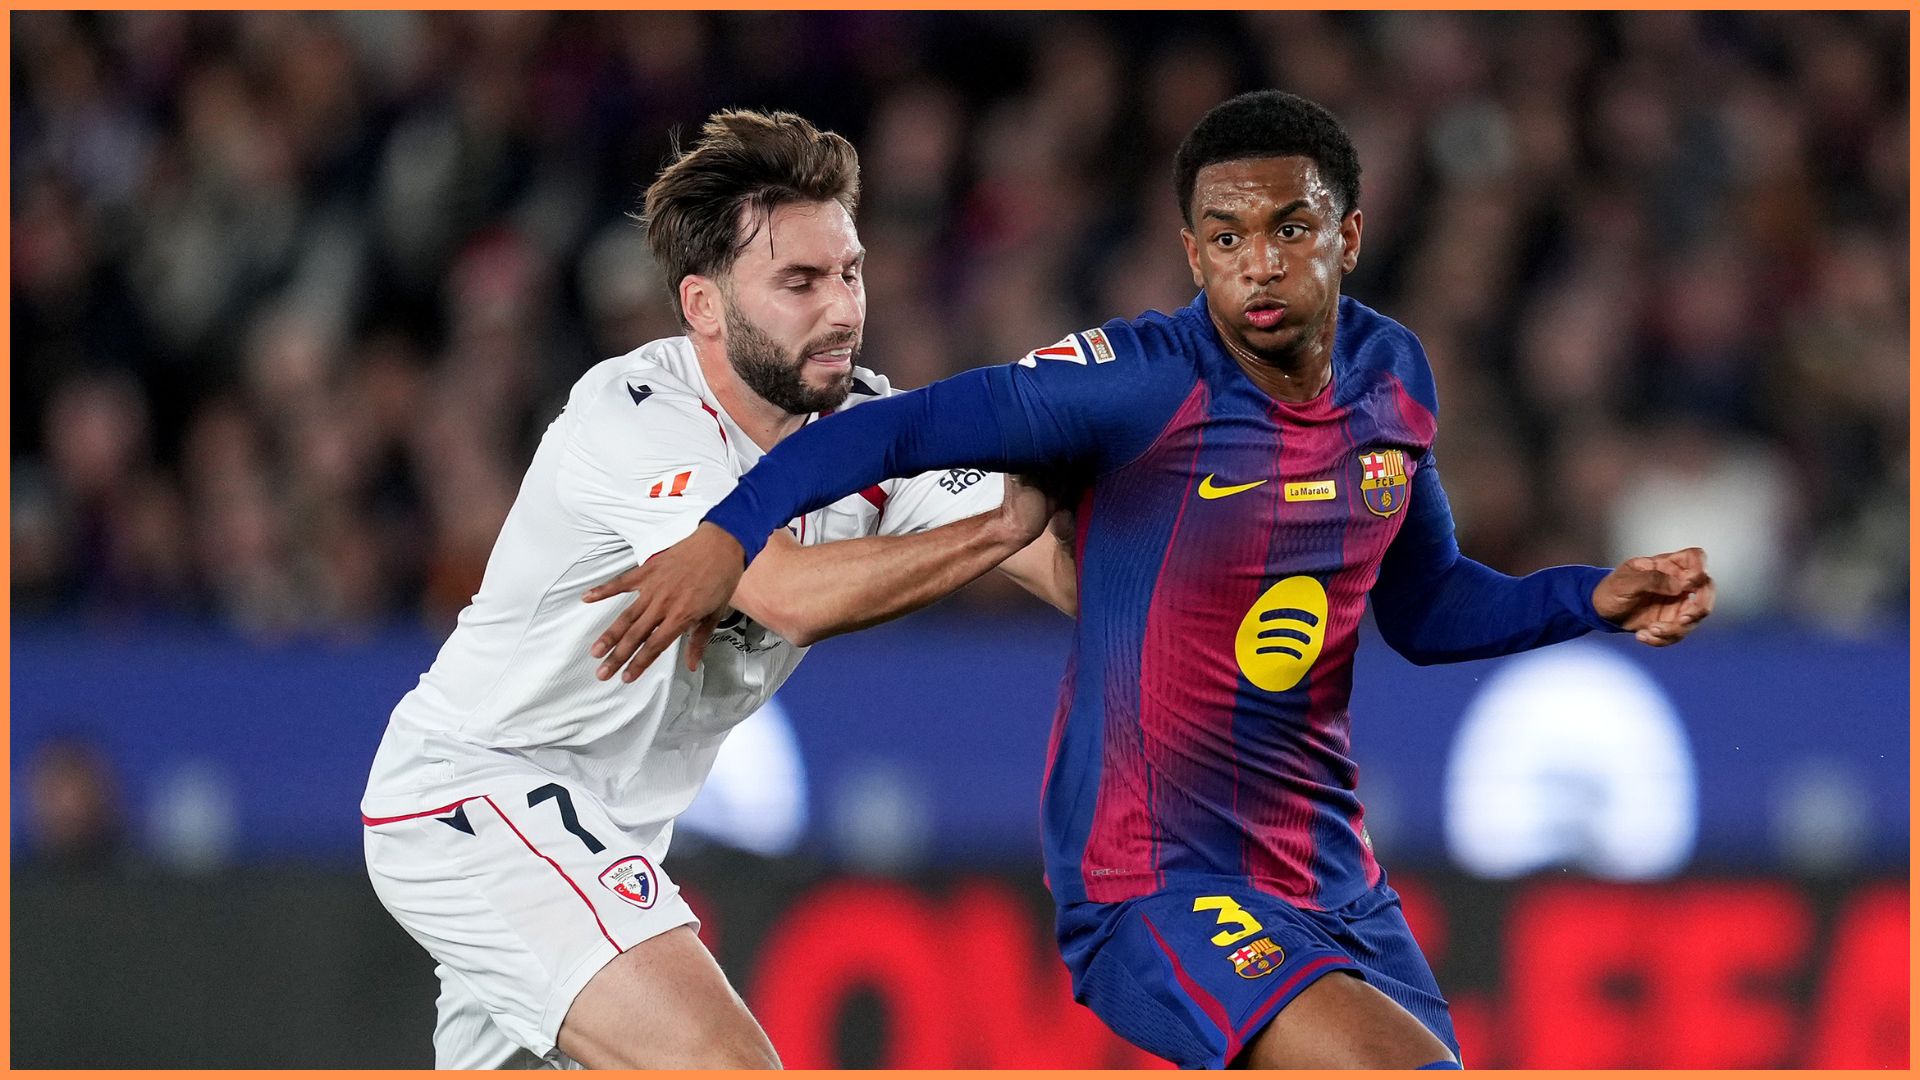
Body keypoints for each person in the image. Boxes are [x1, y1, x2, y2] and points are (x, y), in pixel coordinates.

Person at [598, 91, 1716, 1069]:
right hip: (1155, 885)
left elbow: (1425, 609)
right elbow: (896, 430)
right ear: (1192, 254)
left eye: (1292, 228)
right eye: (1226, 238)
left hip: (1334, 883)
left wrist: (1588, 597)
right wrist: (729, 535)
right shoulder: (1133, 385)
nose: (1261, 263)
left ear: (1351, 234)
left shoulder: (1393, 381)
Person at [360, 109, 1070, 1070]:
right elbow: (781, 593)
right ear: (703, 305)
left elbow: (1060, 558)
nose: (843, 310)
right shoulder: (637, 414)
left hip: (603, 836)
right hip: (477, 795)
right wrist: (998, 525)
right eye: (800, 282)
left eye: (850, 272)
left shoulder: (869, 428)